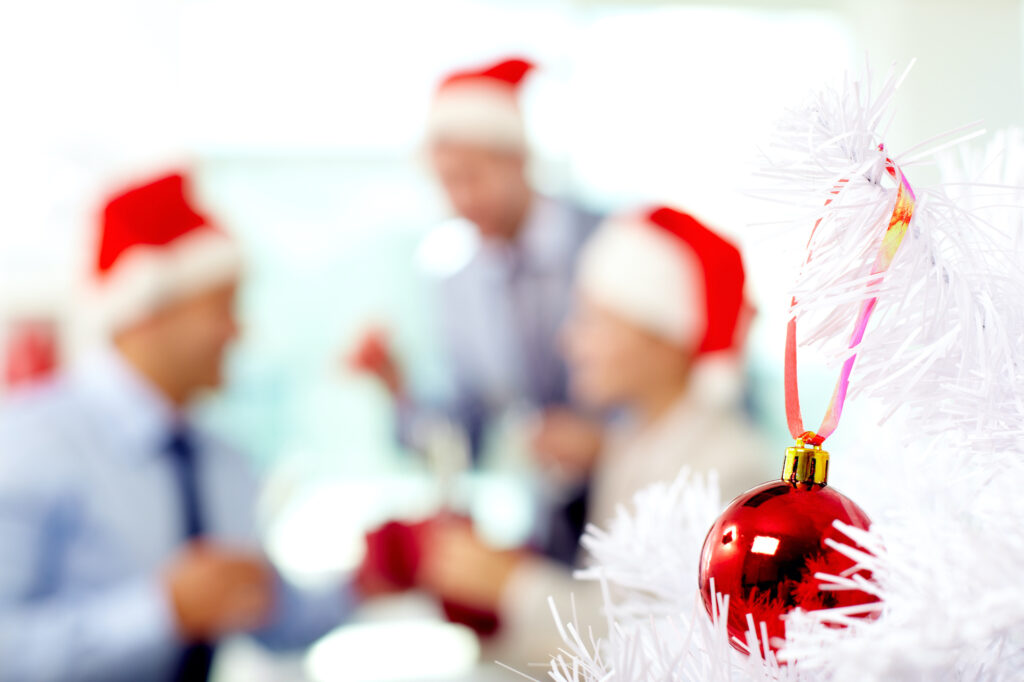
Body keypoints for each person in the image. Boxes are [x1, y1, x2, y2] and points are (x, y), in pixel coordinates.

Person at [0, 172, 357, 682]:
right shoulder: (27, 441)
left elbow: (263, 615)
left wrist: (364, 584)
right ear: (147, 312)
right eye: (222, 307)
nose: (239, 331)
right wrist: (160, 612)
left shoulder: (223, 460)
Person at [418, 206, 774, 667]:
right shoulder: (632, 441)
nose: (568, 340)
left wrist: (509, 583)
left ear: (663, 340)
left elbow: (655, 648)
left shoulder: (723, 470)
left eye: (592, 320)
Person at [350, 56, 603, 564]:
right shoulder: (457, 282)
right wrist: (397, 389)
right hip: (550, 534)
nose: (460, 200)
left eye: (471, 177)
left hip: (644, 504)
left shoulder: (608, 245)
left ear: (519, 159)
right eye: (446, 183)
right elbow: (466, 431)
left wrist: (606, 444)